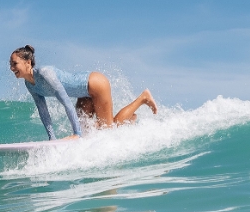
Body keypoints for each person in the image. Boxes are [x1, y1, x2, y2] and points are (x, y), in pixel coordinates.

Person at [9, 44, 158, 140]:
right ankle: (128, 120)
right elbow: (43, 112)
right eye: (10, 64)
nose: (12, 68)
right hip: (83, 93)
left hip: (95, 84)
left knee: (108, 130)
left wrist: (76, 134)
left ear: (27, 62)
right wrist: (52, 139)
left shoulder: (45, 73)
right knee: (89, 133)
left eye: (14, 63)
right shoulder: (29, 85)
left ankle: (143, 98)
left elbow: (66, 101)